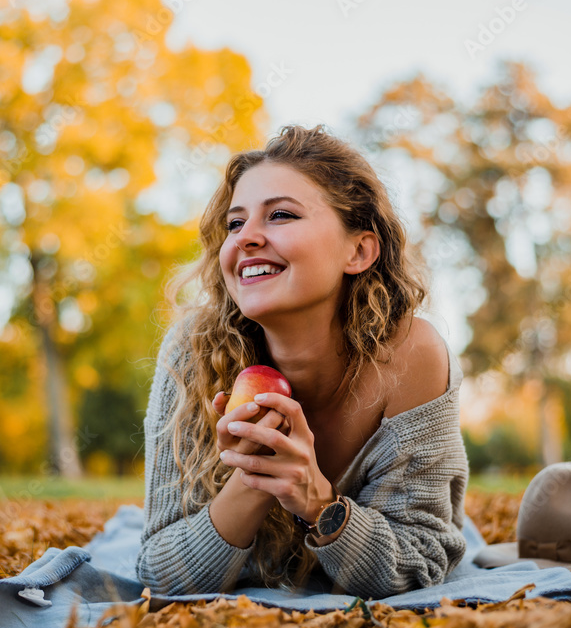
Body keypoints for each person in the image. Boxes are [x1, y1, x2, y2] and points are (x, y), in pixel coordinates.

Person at [136, 124, 468, 599]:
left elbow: (420, 558)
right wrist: (255, 476)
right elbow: (161, 574)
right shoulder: (194, 352)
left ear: (358, 251)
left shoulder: (411, 355)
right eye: (235, 223)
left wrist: (316, 500)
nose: (245, 239)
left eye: (282, 216)